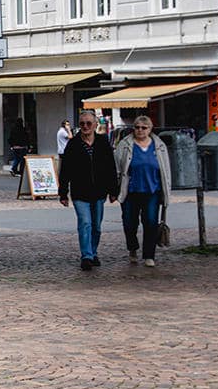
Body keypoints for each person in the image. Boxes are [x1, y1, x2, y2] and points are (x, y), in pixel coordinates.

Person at [58, 110, 119, 270]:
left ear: (95, 125)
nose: (85, 126)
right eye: (82, 123)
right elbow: (65, 170)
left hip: (99, 192)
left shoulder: (102, 142)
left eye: (88, 123)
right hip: (80, 192)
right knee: (85, 223)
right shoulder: (73, 144)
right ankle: (86, 256)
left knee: (96, 226)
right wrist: (63, 193)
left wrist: (113, 190)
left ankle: (93, 251)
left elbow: (110, 168)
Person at [115, 114, 172, 267]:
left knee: (151, 223)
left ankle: (149, 255)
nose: (140, 130)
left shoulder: (159, 146)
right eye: (137, 127)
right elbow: (117, 167)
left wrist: (166, 192)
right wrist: (115, 189)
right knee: (129, 223)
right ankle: (132, 248)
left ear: (150, 129)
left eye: (143, 128)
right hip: (130, 191)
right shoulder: (125, 144)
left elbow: (166, 170)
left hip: (152, 190)